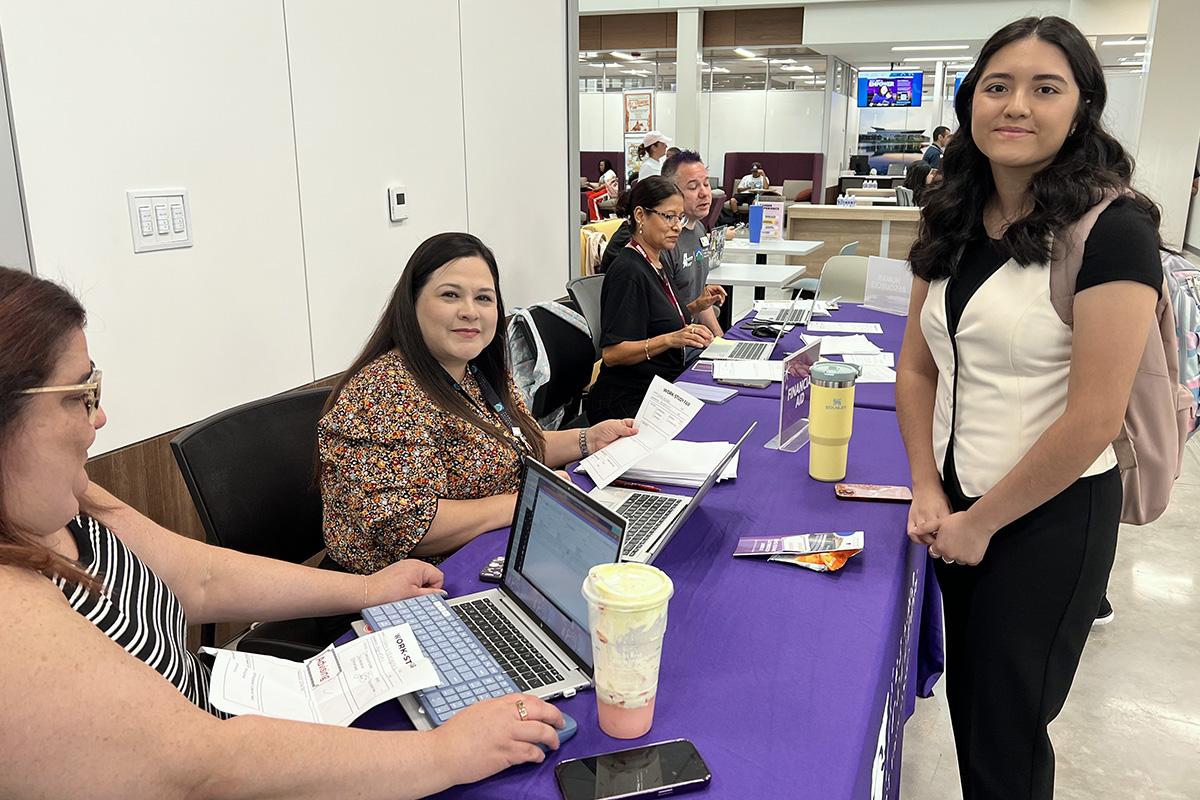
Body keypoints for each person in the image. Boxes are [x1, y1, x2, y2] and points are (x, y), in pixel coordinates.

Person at [0, 266, 570, 798]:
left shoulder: (63, 496)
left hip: (235, 705)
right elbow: (201, 765)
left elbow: (197, 578)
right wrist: (445, 752)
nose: (98, 417)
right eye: (79, 396)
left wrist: (368, 591)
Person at [896, 16, 1164, 800]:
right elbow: (917, 367)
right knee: (971, 709)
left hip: (1049, 519)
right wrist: (925, 484)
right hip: (955, 504)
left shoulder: (1114, 231)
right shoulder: (949, 215)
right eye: (997, 86)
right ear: (970, 100)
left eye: (1045, 88)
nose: (1016, 105)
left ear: (1081, 108)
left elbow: (1093, 417)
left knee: (1006, 736)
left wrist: (982, 523)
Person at [319, 233, 636, 573]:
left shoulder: (477, 372)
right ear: (411, 303)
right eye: (450, 295)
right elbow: (410, 524)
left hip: (486, 552)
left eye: (484, 298)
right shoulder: (383, 393)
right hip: (402, 588)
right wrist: (526, 503)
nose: (470, 311)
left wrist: (587, 439)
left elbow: (518, 447)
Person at [585, 177, 719, 422]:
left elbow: (659, 321)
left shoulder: (655, 261)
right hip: (627, 399)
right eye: (669, 216)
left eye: (680, 218)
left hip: (660, 388)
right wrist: (671, 339)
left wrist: (697, 306)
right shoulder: (628, 271)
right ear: (640, 215)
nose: (677, 226)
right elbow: (613, 354)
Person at [661, 150, 729, 337]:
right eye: (693, 187)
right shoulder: (664, 240)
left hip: (696, 334)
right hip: (674, 342)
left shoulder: (698, 229)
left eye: (706, 184)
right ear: (671, 190)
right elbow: (661, 319)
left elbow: (701, 302)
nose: (704, 193)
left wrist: (721, 342)